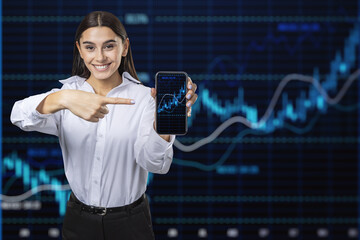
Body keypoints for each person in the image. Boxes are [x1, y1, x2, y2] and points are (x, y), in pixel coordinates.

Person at [10, 11, 198, 240]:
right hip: (78, 221)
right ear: (79, 50)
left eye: (109, 46)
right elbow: (18, 115)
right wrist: (64, 99)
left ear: (125, 47)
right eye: (90, 47)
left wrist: (164, 125)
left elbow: (154, 164)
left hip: (131, 222)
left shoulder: (146, 98)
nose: (99, 57)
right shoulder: (66, 95)